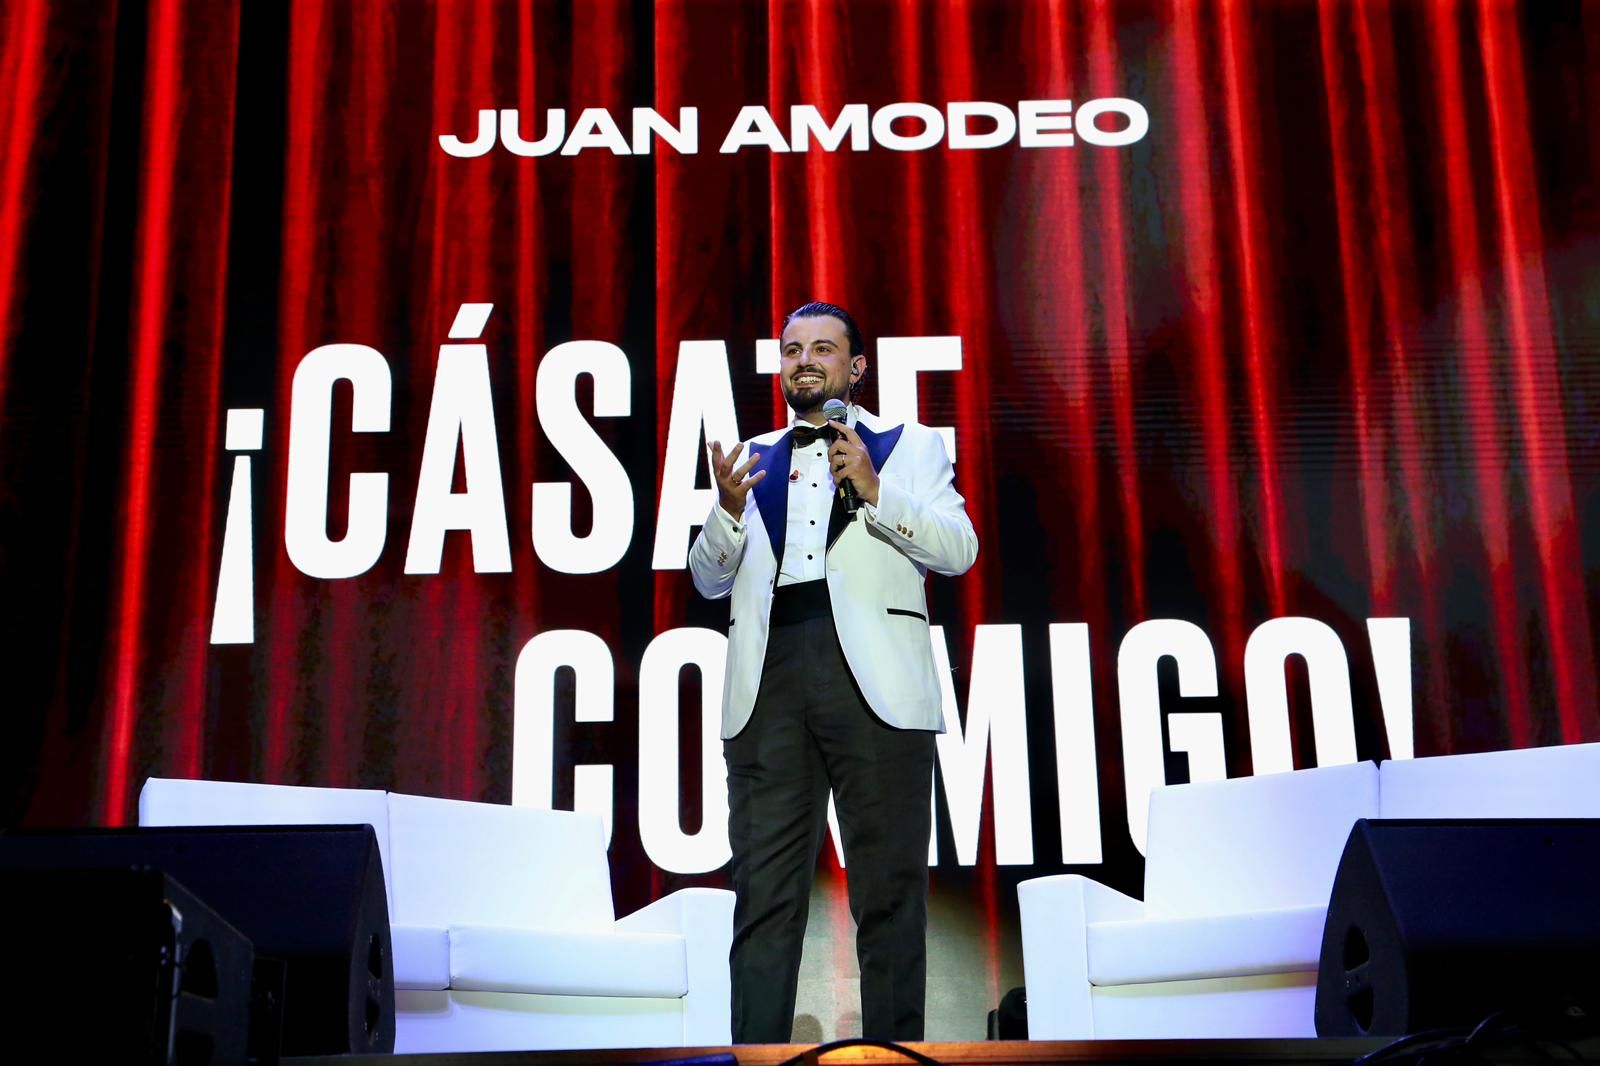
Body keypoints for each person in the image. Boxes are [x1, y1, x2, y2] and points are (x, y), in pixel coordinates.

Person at [688, 301, 978, 1043]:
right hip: (770, 681)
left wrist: (878, 491)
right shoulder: (750, 454)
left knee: (887, 893)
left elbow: (959, 549)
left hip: (875, 683)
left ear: (856, 368)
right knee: (764, 898)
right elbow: (708, 580)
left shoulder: (908, 446)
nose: (804, 360)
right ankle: (754, 1064)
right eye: (791, 350)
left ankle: (893, 1059)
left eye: (822, 348)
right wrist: (724, 513)